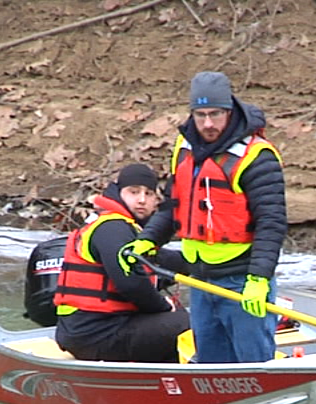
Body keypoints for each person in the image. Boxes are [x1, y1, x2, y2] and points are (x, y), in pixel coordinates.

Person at [136, 71, 287, 363]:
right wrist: (147, 240)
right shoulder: (184, 149)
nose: (207, 123)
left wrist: (259, 278)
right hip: (202, 281)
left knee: (253, 366)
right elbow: (173, 205)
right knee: (211, 364)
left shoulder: (257, 157)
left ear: (229, 110)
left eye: (215, 114)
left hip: (243, 282)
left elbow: (272, 223)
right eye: (200, 114)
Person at [52, 163, 189, 363]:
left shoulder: (131, 231)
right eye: (134, 192)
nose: (142, 200)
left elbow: (165, 260)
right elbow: (131, 283)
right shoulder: (112, 228)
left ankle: (171, 379)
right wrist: (163, 307)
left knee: (189, 316)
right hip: (95, 333)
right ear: (119, 193)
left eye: (149, 194)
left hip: (109, 326)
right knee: (192, 324)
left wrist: (210, 265)